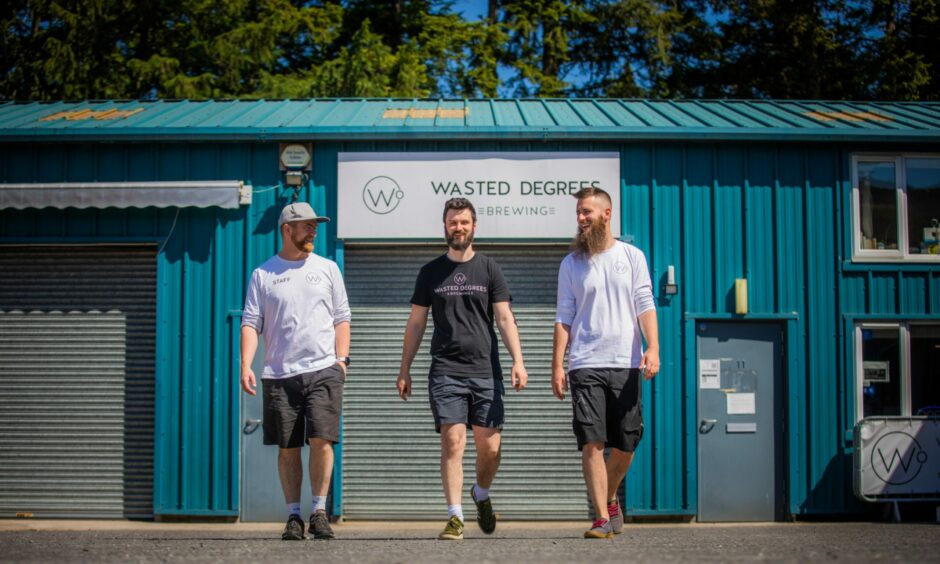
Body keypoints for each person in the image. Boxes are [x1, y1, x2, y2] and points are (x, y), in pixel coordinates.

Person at [397, 197, 528, 541]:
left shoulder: (489, 268)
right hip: (446, 370)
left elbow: (504, 317)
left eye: (464, 222)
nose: (459, 227)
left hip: (486, 370)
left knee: (490, 449)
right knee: (453, 442)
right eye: (453, 222)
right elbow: (415, 324)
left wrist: (518, 360)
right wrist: (404, 368)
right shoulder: (429, 273)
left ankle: (481, 493)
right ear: (445, 226)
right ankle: (455, 516)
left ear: (474, 226)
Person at [551, 187, 660, 539]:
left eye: (587, 213)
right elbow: (564, 316)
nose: (581, 219)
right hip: (585, 363)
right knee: (592, 441)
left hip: (626, 363)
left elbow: (644, 303)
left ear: (607, 214)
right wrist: (557, 365)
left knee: (627, 444)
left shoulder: (631, 256)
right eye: (578, 213)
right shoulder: (571, 263)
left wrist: (653, 347)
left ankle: (610, 495)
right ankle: (600, 517)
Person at [240, 202, 351, 541]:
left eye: (316, 225)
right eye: (306, 225)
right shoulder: (264, 274)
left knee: (321, 440)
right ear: (287, 229)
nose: (313, 230)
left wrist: (341, 361)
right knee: (287, 447)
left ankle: (318, 511)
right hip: (279, 373)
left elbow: (342, 318)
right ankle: (293, 516)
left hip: (323, 369)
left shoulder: (328, 268)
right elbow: (250, 323)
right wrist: (246, 363)